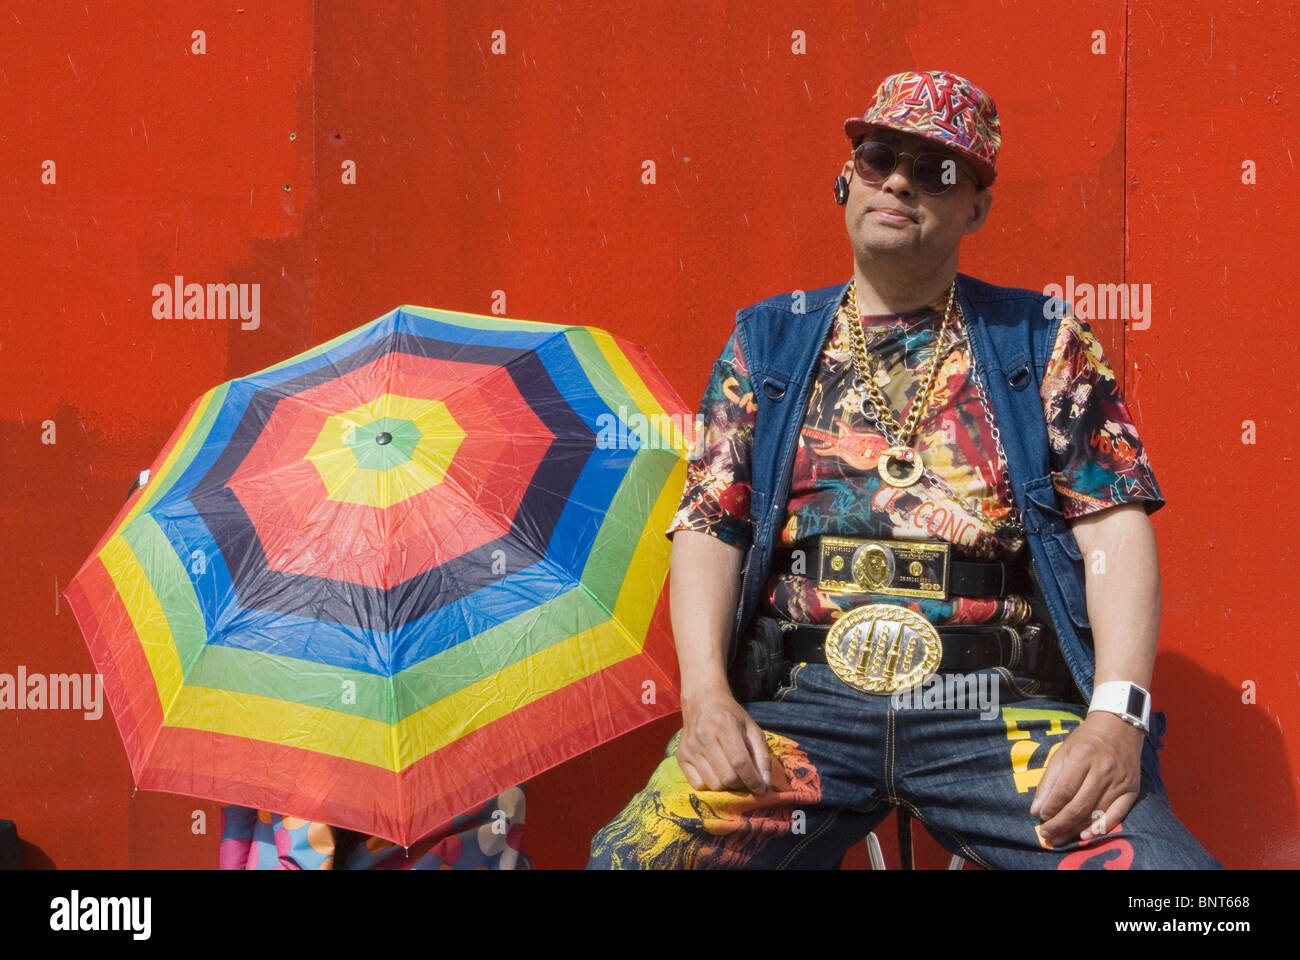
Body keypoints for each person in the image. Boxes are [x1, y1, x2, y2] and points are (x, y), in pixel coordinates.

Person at [586, 70, 1221, 869]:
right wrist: (706, 697)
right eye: (882, 156)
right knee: (631, 860)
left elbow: (1114, 527)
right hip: (805, 707)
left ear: (976, 207)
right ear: (845, 179)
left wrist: (1116, 717)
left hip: (992, 707)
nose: (899, 181)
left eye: (936, 171)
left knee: (1181, 894)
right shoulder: (768, 342)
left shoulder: (1042, 339)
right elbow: (714, 524)